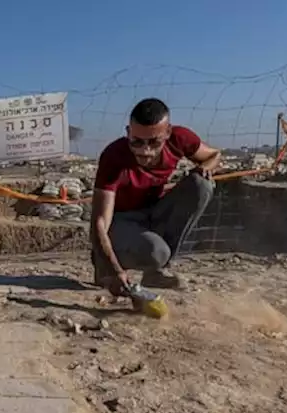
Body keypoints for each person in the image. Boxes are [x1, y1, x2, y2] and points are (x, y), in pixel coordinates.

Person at [90, 98, 222, 301]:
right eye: (137, 141)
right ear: (128, 132)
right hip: (124, 219)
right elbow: (99, 223)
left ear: (167, 133)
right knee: (156, 252)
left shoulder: (180, 139)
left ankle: (157, 273)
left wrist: (205, 168)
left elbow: (213, 155)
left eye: (153, 142)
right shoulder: (113, 157)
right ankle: (104, 266)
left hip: (156, 210)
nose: (145, 150)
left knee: (201, 185)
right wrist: (113, 269)